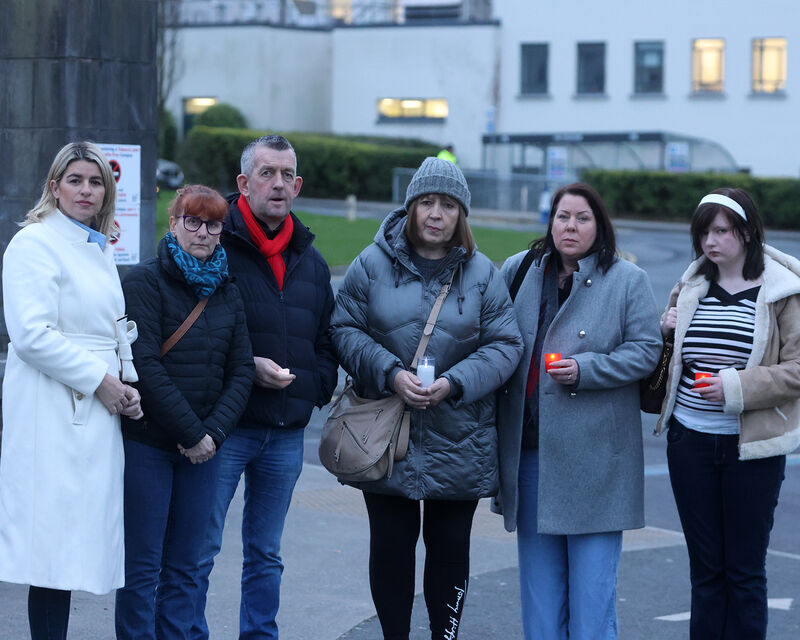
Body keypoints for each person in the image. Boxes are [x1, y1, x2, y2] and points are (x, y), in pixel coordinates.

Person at [330, 157, 523, 639]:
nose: (437, 214)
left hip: (461, 436)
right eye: (427, 202)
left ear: (462, 215)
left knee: (451, 549)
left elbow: (507, 345)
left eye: (449, 205)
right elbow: (343, 329)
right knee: (392, 549)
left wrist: (455, 383)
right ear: (411, 207)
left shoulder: (481, 273)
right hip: (386, 438)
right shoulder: (371, 265)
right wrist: (391, 373)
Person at [494, 182, 662, 639]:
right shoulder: (520, 269)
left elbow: (648, 350)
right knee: (541, 604)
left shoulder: (628, 279)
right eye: (562, 216)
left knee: (592, 604)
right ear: (550, 223)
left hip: (597, 465)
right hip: (531, 459)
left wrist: (587, 370)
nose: (570, 226)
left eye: (582, 217)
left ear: (599, 225)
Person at [192, 135, 339, 640]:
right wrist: (245, 367)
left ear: (297, 185)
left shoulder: (313, 263)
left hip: (284, 432)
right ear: (243, 183)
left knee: (265, 554)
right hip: (224, 429)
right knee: (200, 549)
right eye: (266, 173)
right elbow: (191, 334)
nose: (278, 184)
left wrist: (313, 388)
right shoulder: (213, 247)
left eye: (286, 175)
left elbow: (326, 340)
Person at [0, 141, 143, 640]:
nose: (86, 190)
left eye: (96, 181)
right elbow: (31, 334)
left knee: (73, 546)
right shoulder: (34, 243)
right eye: (76, 180)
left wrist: (127, 382)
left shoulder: (94, 245)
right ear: (54, 186)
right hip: (51, 408)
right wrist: (100, 381)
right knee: (50, 551)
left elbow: (114, 326)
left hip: (93, 407)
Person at [655, 188, 800, 639]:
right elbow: (670, 362)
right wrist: (664, 332)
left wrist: (735, 387)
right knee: (706, 573)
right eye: (703, 232)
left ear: (748, 231)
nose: (709, 242)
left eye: (720, 231)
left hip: (751, 448)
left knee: (743, 572)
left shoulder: (781, 292)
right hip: (690, 442)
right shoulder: (691, 285)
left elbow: (797, 369)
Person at [115, 185, 254, 638]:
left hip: (204, 452)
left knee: (187, 567)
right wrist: (194, 433)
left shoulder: (227, 290)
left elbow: (241, 369)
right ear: (173, 224)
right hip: (149, 446)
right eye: (192, 221)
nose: (203, 232)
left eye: (213, 224)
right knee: (142, 569)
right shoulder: (143, 281)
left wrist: (211, 434)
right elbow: (145, 366)